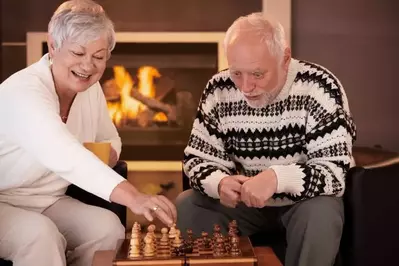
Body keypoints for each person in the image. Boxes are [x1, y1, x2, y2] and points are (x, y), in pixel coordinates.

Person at [0, 1, 176, 265]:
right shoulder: (24, 92)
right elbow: (64, 153)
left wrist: (103, 157)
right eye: (78, 53)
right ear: (53, 46)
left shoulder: (90, 89)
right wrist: (134, 196)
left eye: (98, 56)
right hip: (3, 200)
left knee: (107, 227)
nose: (88, 66)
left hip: (48, 200)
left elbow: (110, 139)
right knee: (39, 235)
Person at [176, 12, 356, 266]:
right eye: (237, 73)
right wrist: (220, 182)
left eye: (257, 74)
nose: (245, 86)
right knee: (189, 205)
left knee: (322, 212)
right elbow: (197, 158)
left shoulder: (320, 87)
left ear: (284, 58)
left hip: (303, 204)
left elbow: (335, 172)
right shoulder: (219, 88)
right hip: (245, 204)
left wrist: (276, 178)